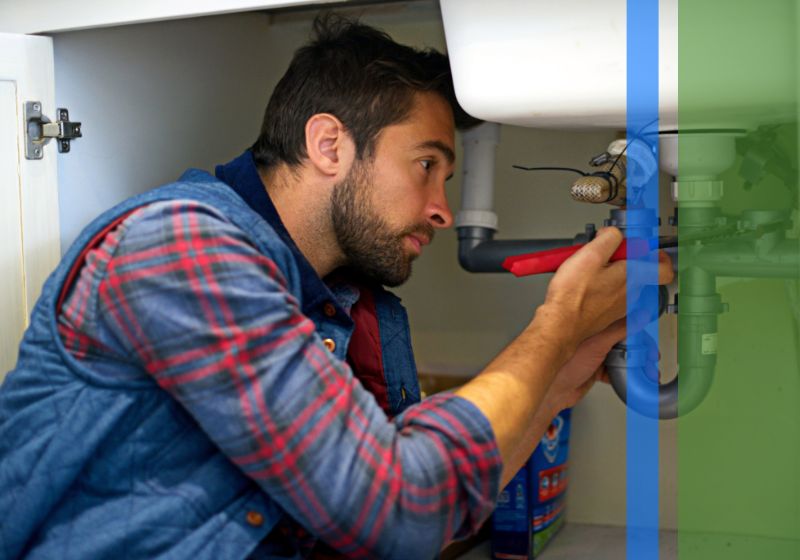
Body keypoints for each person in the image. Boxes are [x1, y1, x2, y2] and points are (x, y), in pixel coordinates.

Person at [0, 14, 672, 560]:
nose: (442, 208)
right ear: (329, 146)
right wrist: (554, 326)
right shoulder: (179, 246)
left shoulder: (349, 306)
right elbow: (398, 511)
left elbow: (435, 495)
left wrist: (564, 370)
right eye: (427, 165)